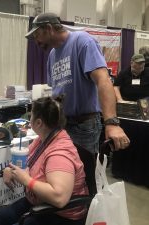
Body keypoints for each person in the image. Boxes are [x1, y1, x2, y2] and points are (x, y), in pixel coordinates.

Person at [25, 12, 129, 152]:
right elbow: (59, 90)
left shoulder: (83, 42)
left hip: (83, 126)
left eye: (37, 35)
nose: (36, 41)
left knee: (83, 171)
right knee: (63, 168)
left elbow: (103, 80)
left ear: (49, 28)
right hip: (62, 123)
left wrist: (111, 123)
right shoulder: (52, 55)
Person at [0, 97, 88, 225]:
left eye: (31, 115)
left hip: (61, 213)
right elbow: (26, 160)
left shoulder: (60, 154)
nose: (29, 119)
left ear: (39, 123)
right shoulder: (43, 139)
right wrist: (8, 169)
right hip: (39, 201)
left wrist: (26, 180)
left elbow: (59, 199)